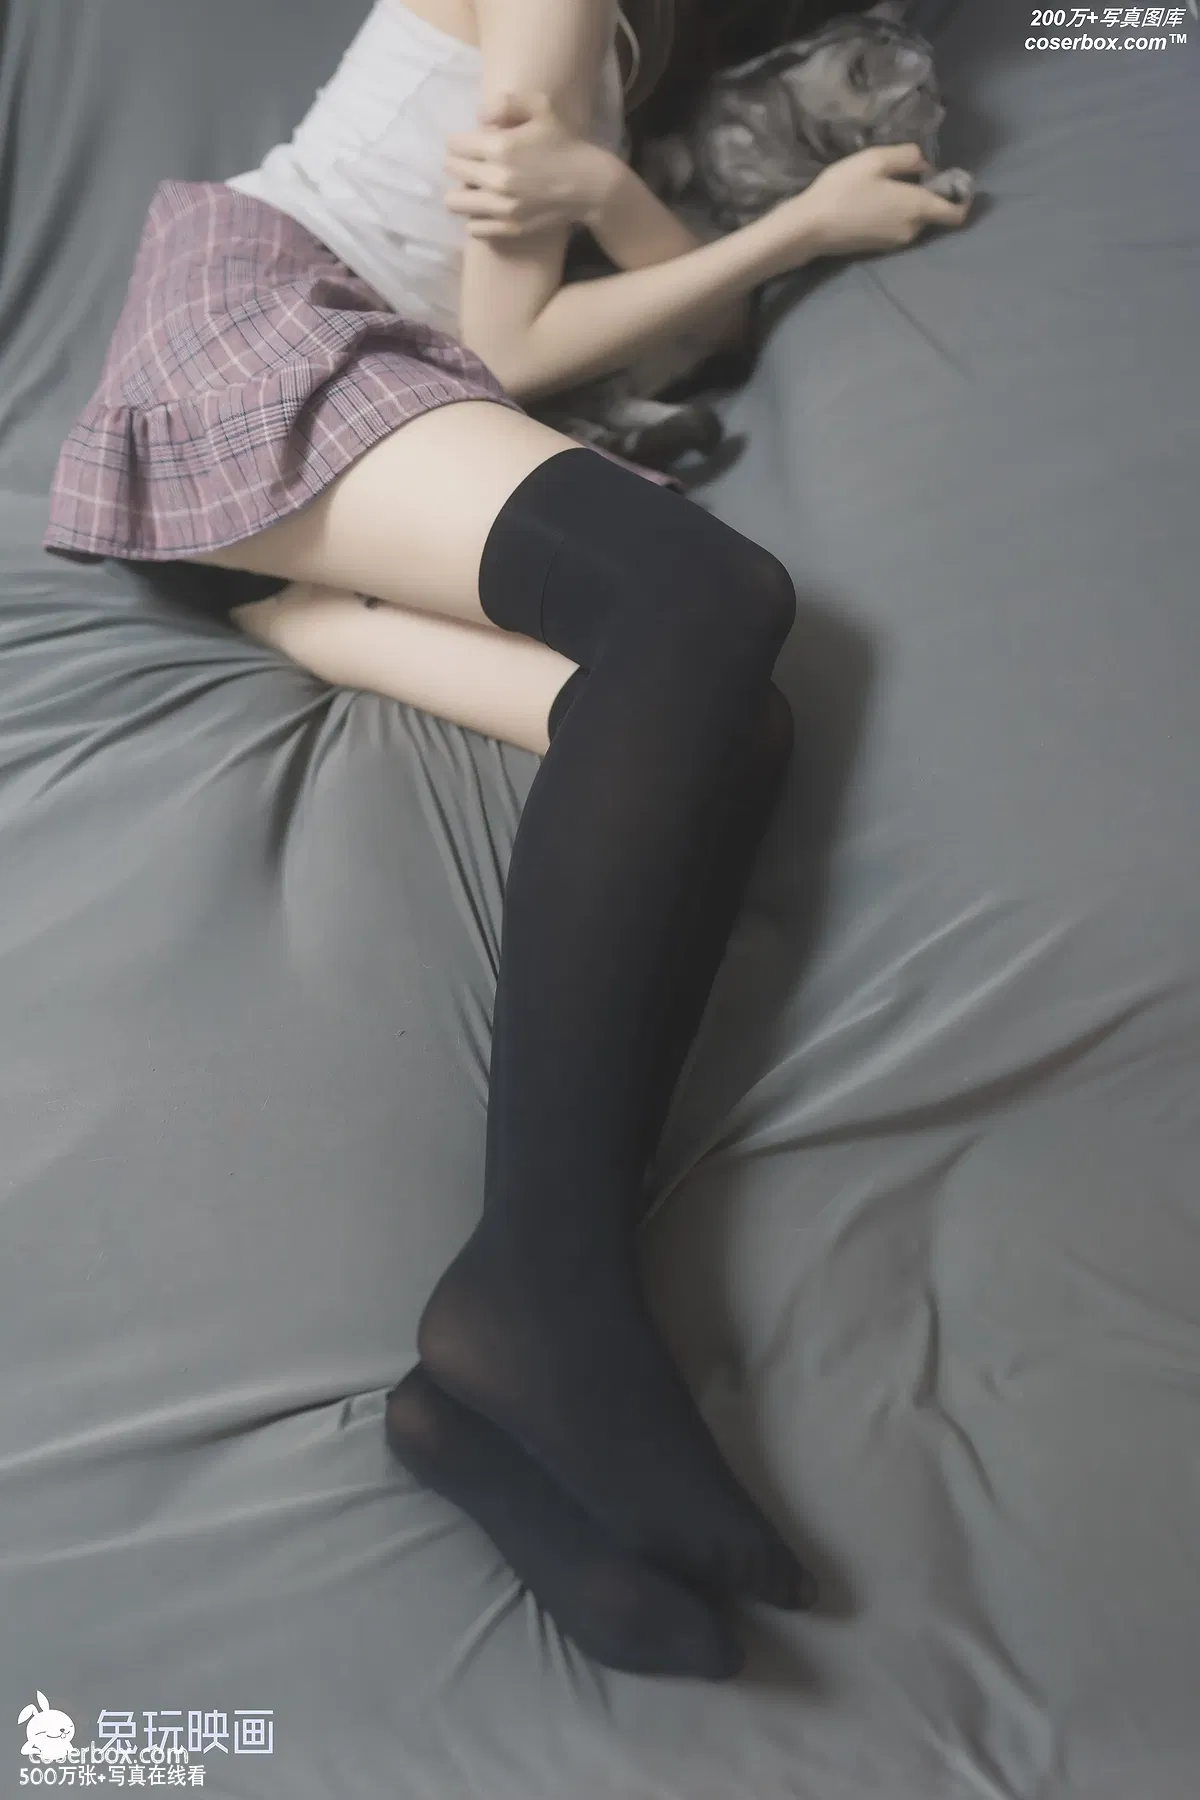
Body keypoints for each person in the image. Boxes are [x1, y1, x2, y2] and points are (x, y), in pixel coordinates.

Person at [43, 0, 971, 1679]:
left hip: (372, 425)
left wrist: (612, 191)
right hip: (263, 334)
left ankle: (470, 1392)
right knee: (703, 596)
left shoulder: (636, 41)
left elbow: (679, 350)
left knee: (730, 729)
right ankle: (546, 1298)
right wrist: (797, 229)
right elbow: (518, 343)